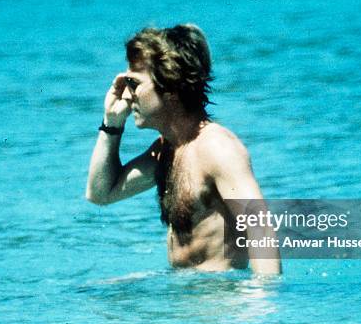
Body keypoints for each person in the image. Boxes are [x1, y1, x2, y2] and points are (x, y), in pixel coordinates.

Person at [86, 24, 281, 275]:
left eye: (134, 84)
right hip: (182, 295)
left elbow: (261, 229)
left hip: (220, 302)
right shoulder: (166, 150)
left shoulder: (217, 148)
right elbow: (100, 193)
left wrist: (263, 304)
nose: (126, 94)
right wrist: (111, 123)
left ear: (170, 89)